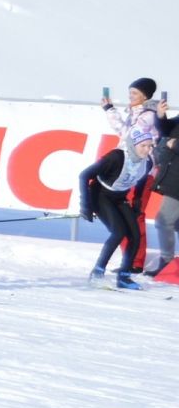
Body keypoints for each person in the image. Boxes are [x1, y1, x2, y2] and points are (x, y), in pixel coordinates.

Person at [101, 78, 167, 272]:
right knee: (124, 213)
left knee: (134, 213)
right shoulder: (136, 113)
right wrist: (110, 110)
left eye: (135, 93)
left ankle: (135, 262)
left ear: (145, 96)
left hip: (142, 171)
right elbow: (124, 132)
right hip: (128, 168)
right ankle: (129, 260)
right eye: (130, 93)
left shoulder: (149, 115)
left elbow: (130, 136)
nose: (130, 97)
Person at [81, 127, 159, 289]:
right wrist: (86, 205)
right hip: (100, 195)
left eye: (150, 146)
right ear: (133, 145)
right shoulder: (116, 157)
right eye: (143, 146)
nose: (147, 150)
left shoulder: (148, 162)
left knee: (135, 235)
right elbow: (84, 175)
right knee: (118, 232)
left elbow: (142, 181)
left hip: (119, 197)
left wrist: (137, 201)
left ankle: (124, 276)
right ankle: (97, 272)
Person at [145, 120, 179, 278]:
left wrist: (174, 145)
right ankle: (168, 263)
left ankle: (167, 262)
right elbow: (166, 128)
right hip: (174, 179)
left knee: (164, 221)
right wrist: (160, 115)